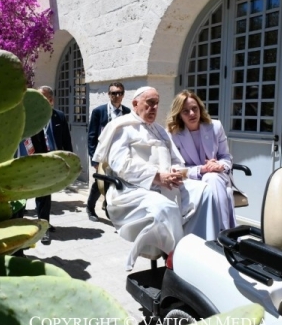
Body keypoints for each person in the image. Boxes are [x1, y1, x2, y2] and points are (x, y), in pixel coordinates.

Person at [93, 86, 222, 270]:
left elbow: (177, 160)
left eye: (157, 103)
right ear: (135, 104)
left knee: (205, 191)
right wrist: (156, 176)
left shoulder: (160, 131)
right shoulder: (122, 128)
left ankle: (203, 247)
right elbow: (121, 165)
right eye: (150, 103)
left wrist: (176, 172)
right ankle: (177, 260)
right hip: (132, 189)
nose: (154, 108)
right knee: (165, 207)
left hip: (166, 183)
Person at [166, 90, 236, 230]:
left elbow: (226, 156)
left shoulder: (215, 127)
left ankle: (219, 232)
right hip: (190, 181)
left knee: (213, 178)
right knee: (212, 179)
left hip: (218, 177)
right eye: (185, 111)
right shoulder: (172, 134)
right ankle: (224, 232)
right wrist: (200, 170)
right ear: (179, 114)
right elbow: (175, 168)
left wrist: (219, 165)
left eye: (194, 108)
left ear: (200, 108)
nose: (192, 113)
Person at [17, 86, 73, 245]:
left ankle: (44, 227)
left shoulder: (59, 116)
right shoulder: (31, 117)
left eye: (43, 98)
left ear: (51, 100)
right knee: (22, 196)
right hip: (33, 161)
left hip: (53, 162)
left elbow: (66, 140)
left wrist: (69, 160)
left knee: (44, 196)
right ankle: (18, 227)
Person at [86, 82, 130, 221]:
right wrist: (94, 158)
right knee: (99, 182)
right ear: (108, 94)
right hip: (103, 155)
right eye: (113, 93)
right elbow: (92, 135)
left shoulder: (127, 112)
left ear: (123, 95)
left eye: (119, 93)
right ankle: (90, 207)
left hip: (120, 155)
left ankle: (108, 207)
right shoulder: (99, 111)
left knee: (115, 182)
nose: (116, 96)